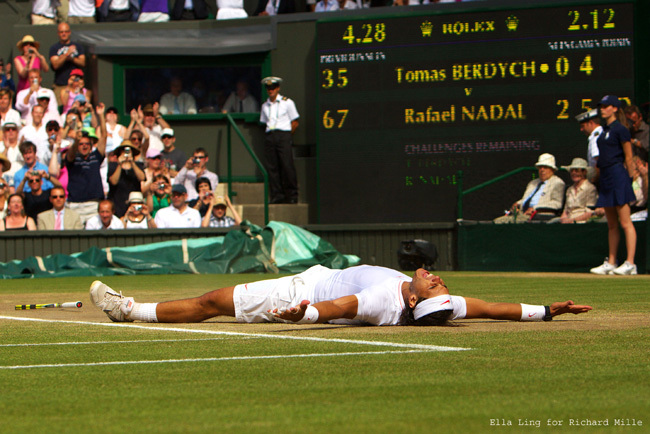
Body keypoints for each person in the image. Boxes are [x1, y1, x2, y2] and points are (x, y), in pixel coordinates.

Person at [89, 265, 593, 326]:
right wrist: (546, 309)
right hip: (313, 280)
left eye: (434, 283)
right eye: (441, 283)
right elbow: (492, 309)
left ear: (416, 301)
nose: (437, 279)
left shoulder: (384, 299)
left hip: (303, 290)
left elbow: (335, 309)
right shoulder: (441, 304)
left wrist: (302, 312)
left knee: (211, 301)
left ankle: (128, 311)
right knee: (213, 299)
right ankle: (132, 310)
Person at [590, 96, 638, 276]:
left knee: (625, 222)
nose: (602, 109)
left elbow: (628, 156)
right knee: (612, 224)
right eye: (601, 106)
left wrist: (630, 178)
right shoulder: (602, 131)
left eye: (606, 106)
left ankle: (630, 263)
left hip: (618, 175)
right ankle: (611, 262)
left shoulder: (621, 129)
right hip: (606, 177)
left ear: (615, 108)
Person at [260, 76, 299, 204]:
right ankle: (277, 195)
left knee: (287, 165)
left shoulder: (287, 102)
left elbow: (295, 122)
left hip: (283, 134)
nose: (270, 90)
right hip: (270, 135)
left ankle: (292, 194)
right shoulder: (265, 106)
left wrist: (287, 135)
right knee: (273, 167)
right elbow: (264, 122)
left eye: (273, 88)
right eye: (268, 88)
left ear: (278, 88)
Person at [65, 105, 107, 226]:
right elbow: (71, 154)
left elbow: (103, 136)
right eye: (81, 144)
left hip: (93, 205)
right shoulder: (73, 157)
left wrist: (100, 115)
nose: (84, 146)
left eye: (87, 144)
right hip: (75, 204)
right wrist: (76, 141)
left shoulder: (95, 156)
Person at [494, 153, 566, 223]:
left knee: (501, 222)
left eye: (545, 167)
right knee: (497, 221)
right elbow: (526, 199)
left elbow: (557, 203)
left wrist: (535, 208)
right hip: (522, 214)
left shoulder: (557, 183)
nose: (542, 170)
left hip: (539, 215)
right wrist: (518, 204)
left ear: (552, 169)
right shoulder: (533, 183)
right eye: (540, 167)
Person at [550, 158, 599, 224]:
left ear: (584, 172)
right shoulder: (569, 189)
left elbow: (590, 212)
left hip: (583, 223)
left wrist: (572, 220)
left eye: (577, 170)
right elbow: (566, 211)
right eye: (572, 170)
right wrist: (563, 220)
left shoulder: (590, 188)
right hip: (568, 223)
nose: (574, 173)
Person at [49, 23, 86, 106]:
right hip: (60, 85)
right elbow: (55, 65)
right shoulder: (54, 48)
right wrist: (66, 55)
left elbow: (83, 62)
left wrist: (72, 58)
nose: (64, 34)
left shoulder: (78, 47)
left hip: (76, 86)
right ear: (58, 33)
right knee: (61, 108)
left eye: (66, 31)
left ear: (69, 32)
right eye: (61, 32)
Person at [108, 141, 146, 217]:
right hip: (118, 203)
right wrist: (120, 164)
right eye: (124, 150)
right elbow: (113, 181)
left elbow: (142, 177)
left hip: (134, 204)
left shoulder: (138, 165)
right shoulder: (113, 166)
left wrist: (132, 162)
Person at [575, 108, 603, 183]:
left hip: (601, 179)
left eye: (582, 126)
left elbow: (599, 161)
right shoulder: (603, 132)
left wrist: (594, 179)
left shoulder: (595, 138)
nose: (581, 129)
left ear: (590, 123)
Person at [0, 122, 23, 187]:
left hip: (20, 179)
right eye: (8, 130)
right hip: (4, 179)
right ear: (4, 133)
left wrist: (22, 149)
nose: (11, 131)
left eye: (13, 129)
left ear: (17, 132)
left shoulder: (22, 145)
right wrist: (6, 148)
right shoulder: (0, 145)